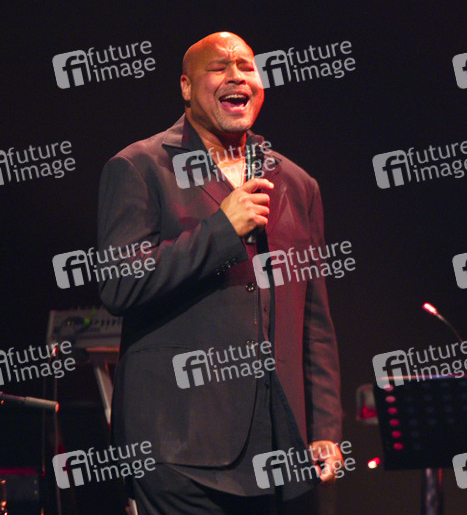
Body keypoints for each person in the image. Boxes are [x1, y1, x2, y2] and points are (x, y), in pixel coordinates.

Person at [97, 32, 342, 514]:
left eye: (247, 67)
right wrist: (221, 230)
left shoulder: (297, 183)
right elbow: (119, 283)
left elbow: (314, 320)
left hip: (278, 449)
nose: (237, 77)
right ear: (186, 87)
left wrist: (325, 428)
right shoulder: (139, 166)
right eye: (219, 68)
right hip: (178, 446)